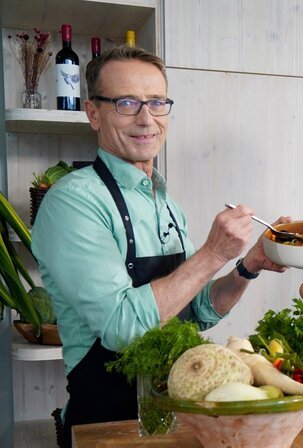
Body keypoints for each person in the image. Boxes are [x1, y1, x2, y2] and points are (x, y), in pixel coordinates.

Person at [30, 46, 287, 445]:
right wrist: (213, 254)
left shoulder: (163, 201)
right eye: (126, 103)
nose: (146, 119)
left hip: (174, 415)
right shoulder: (73, 202)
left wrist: (247, 267)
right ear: (93, 112)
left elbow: (195, 313)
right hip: (107, 427)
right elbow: (122, 329)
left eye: (156, 102)